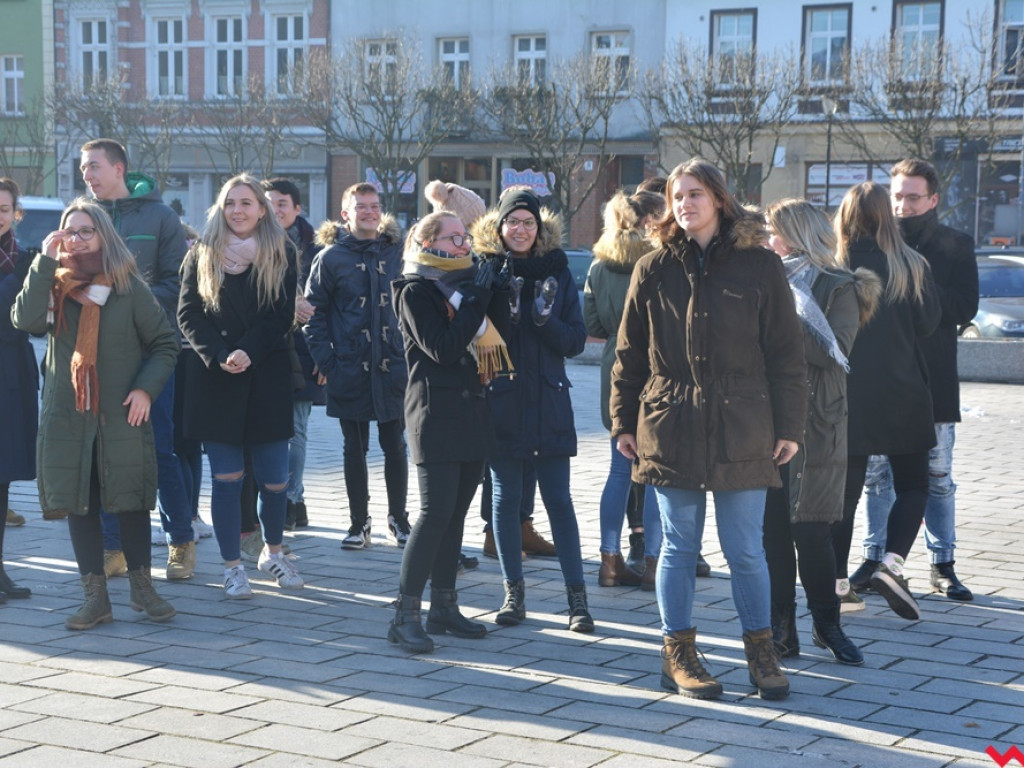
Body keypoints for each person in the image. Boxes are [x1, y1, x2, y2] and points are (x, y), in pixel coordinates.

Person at [611, 158, 807, 700]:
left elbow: (786, 354)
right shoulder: (652, 268)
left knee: (745, 549)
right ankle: (677, 654)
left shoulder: (760, 266)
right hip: (670, 422)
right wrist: (623, 422)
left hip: (743, 424)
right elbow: (628, 355)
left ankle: (761, 652)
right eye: (677, 196)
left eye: (695, 194)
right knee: (678, 545)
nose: (684, 204)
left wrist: (790, 425)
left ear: (719, 198)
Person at [12, 198, 178, 628]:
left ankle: (143, 588)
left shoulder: (127, 288)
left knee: (131, 499)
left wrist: (145, 390)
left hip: (121, 413)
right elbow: (25, 321)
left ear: (104, 235)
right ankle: (95, 598)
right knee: (80, 503)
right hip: (69, 414)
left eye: (87, 230)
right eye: (70, 231)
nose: (78, 239)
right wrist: (44, 262)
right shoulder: (52, 285)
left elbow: (165, 343)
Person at [762, 199, 880, 667]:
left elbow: (833, 351)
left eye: (771, 231)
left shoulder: (839, 286)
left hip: (817, 423)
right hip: (765, 420)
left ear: (795, 235)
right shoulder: (762, 281)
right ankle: (781, 629)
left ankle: (828, 624)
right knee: (772, 533)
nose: (765, 240)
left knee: (811, 530)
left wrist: (779, 311)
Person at [470, 187, 594, 633]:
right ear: (499, 226)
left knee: (559, 501)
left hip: (549, 402)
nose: (520, 230)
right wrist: (495, 304)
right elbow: (470, 336)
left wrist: (544, 320)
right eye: (512, 222)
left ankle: (577, 600)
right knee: (505, 502)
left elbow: (575, 341)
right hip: (502, 402)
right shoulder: (484, 270)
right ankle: (513, 594)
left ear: (539, 229)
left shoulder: (556, 272)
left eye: (528, 223)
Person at [854, 159, 979, 603]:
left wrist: (916, 276)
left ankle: (943, 564)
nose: (902, 206)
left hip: (933, 379)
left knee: (937, 475)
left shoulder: (955, 244)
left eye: (912, 197)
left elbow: (965, 308)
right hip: (882, 380)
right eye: (896, 196)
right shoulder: (871, 243)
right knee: (876, 477)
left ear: (933, 199)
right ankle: (875, 559)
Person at [388, 211, 512, 652]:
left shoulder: (467, 285)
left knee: (456, 513)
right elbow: (441, 348)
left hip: (473, 411)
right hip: (434, 413)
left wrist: (498, 291)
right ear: (429, 243)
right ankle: (404, 615)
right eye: (454, 238)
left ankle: (443, 606)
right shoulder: (414, 289)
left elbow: (500, 337)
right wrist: (477, 298)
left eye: (465, 238)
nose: (463, 245)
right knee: (434, 512)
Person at [177, 174, 303, 598]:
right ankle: (232, 567)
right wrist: (219, 353)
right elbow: (188, 314)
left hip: (266, 374)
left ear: (262, 210)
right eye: (230, 203)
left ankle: (273, 553)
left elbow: (281, 314)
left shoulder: (282, 252)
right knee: (227, 478)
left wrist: (248, 350)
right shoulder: (201, 253)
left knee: (275, 480)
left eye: (246, 203)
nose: (238, 210)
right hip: (216, 378)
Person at [78, 139, 195, 581]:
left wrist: (118, 295)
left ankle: (180, 541)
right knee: (105, 452)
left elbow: (177, 285)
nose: (87, 174)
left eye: (94, 166)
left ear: (119, 168)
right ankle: (114, 548)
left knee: (157, 449)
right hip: (96, 354)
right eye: (83, 168)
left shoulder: (161, 216)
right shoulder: (84, 218)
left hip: (150, 351)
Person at [831, 181, 941, 622]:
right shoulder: (910, 264)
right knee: (914, 484)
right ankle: (891, 565)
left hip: (847, 397)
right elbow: (929, 324)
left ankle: (839, 587)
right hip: (904, 392)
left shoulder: (832, 266)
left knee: (843, 497)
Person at [305, 183, 411, 550]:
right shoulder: (330, 258)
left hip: (393, 365)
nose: (369, 212)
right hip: (349, 366)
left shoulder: (398, 252)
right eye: (361, 206)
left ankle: (399, 518)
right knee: (354, 446)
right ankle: (358, 521)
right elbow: (313, 315)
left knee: (395, 443)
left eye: (374, 206)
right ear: (345, 214)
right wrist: (328, 361)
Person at [585, 189, 664, 589]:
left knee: (619, 471)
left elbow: (592, 324)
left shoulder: (599, 265)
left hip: (614, 368)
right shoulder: (659, 261)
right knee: (655, 475)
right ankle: (652, 563)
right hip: (655, 368)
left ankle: (609, 560)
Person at [264, 177, 326, 531]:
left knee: (296, 430)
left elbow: (327, 306)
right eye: (269, 203)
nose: (275, 210)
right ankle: (286, 500)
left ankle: (291, 499)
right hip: (264, 349)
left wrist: (324, 355)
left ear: (297, 208)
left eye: (282, 203)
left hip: (304, 350)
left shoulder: (316, 250)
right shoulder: (251, 245)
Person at [0, 178, 36, 602]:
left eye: (4, 209)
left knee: (3, 477)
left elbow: (31, 322)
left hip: (12, 375)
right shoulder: (25, 266)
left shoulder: (26, 258)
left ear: (15, 213)